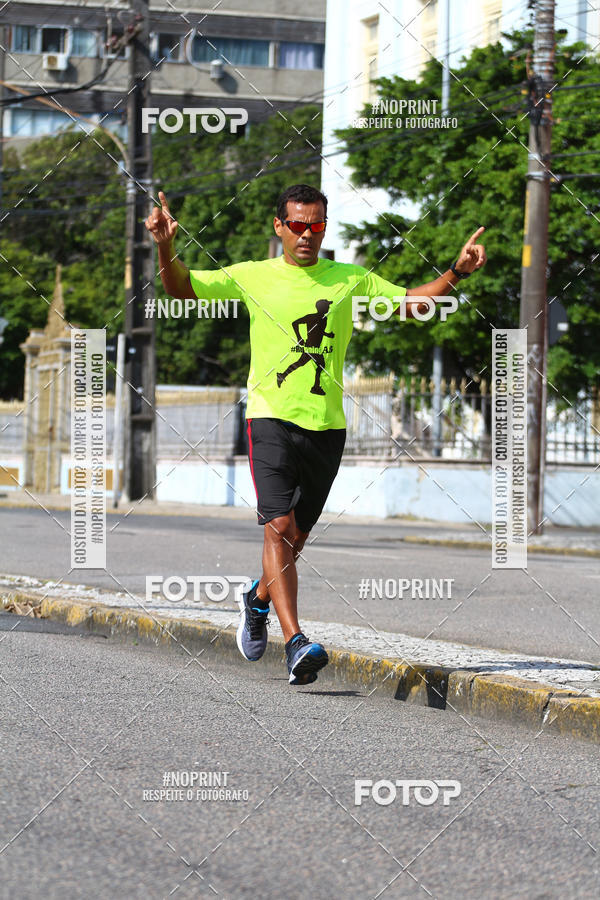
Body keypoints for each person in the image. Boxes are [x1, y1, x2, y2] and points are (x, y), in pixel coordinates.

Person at [145, 183, 487, 685]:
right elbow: (180, 288)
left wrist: (456, 272)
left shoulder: (349, 279)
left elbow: (413, 304)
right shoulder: (252, 275)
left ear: (325, 228)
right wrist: (165, 245)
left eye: (317, 226)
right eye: (298, 225)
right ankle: (297, 642)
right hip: (270, 418)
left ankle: (256, 601)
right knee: (278, 528)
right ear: (279, 226)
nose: (307, 235)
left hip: (327, 426)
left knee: (296, 538)